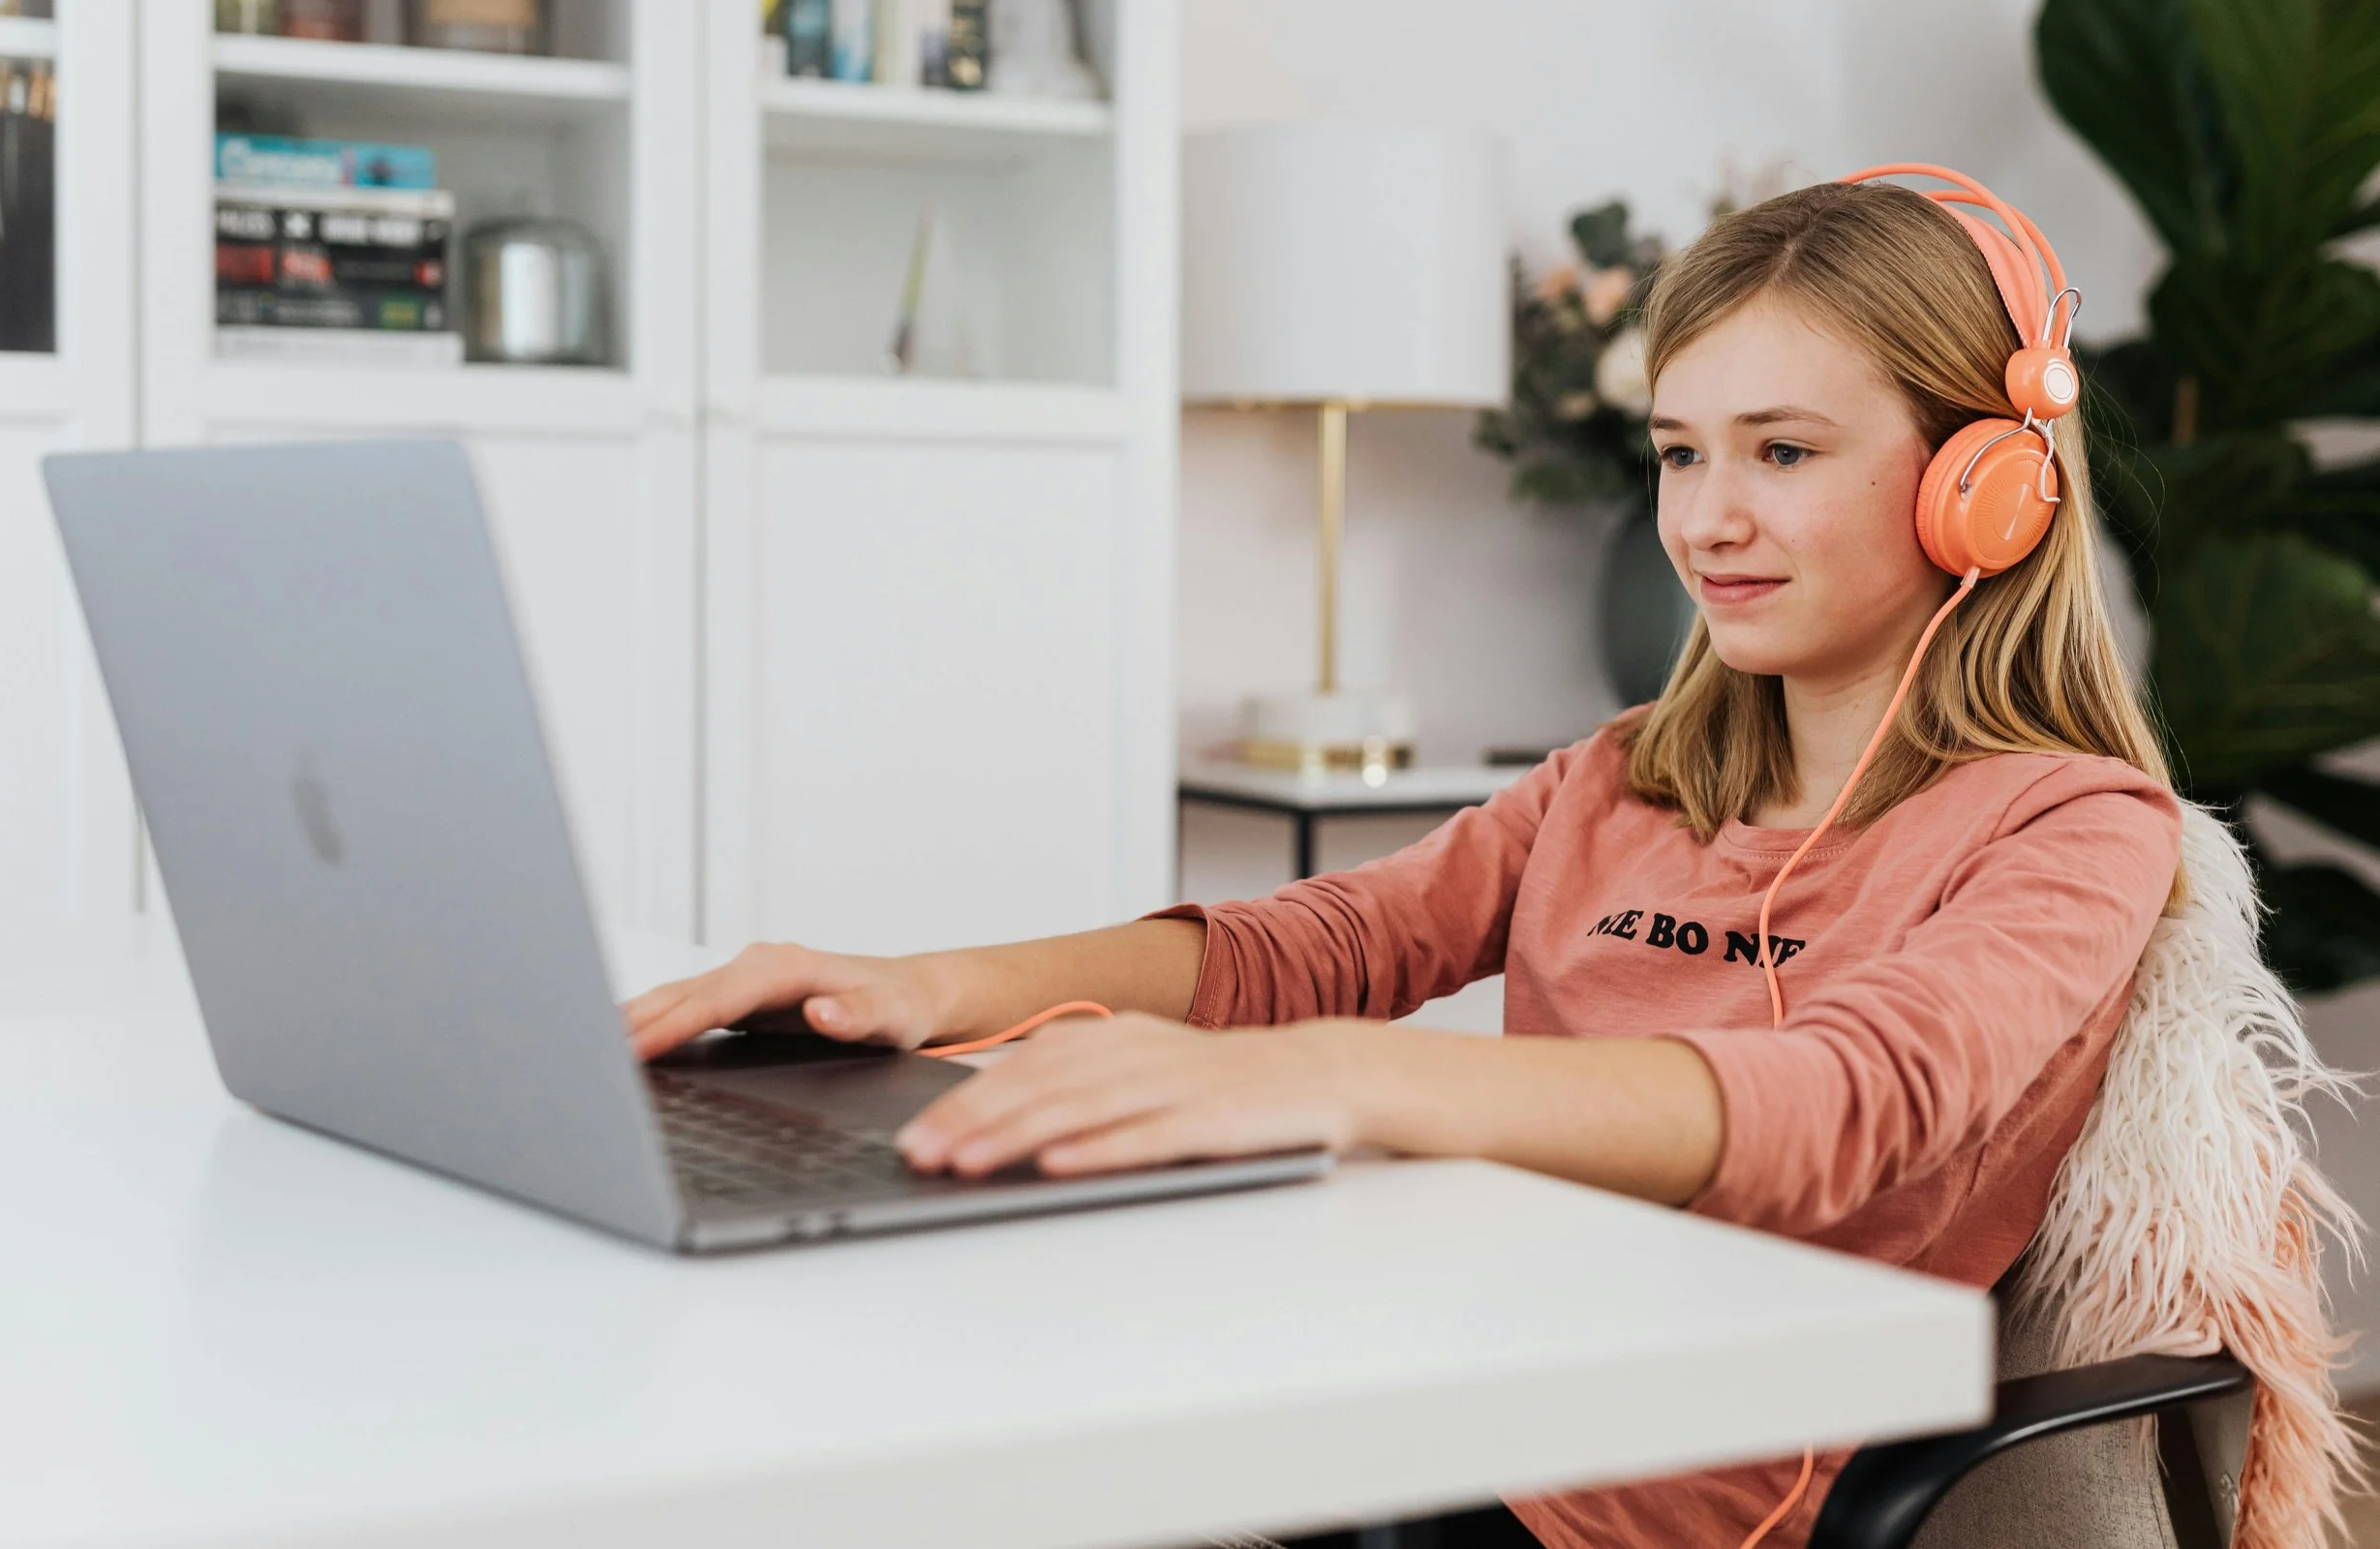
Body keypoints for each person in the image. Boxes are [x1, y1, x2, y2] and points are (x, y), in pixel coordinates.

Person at [624, 176, 2182, 1549]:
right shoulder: (1626, 771)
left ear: (1987, 488)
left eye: (1779, 449)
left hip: (1611, 1491)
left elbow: (1846, 1104)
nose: (1707, 520)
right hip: (1414, 1370)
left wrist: (1343, 1080)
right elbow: (1303, 948)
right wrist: (931, 984)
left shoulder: (2075, 826)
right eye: (1678, 451)